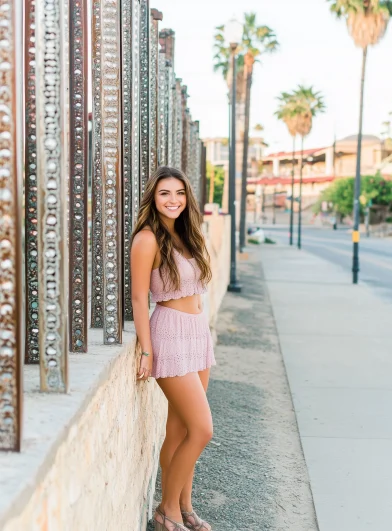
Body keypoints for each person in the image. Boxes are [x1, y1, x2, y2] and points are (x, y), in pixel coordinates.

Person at [130, 166, 215, 531]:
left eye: (179, 193)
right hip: (170, 335)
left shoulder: (187, 234)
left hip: (197, 333)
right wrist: (147, 351)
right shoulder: (147, 239)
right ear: (153, 197)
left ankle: (184, 505)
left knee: (180, 431)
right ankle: (166, 510)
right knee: (202, 429)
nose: (173, 200)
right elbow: (137, 297)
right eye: (165, 193)